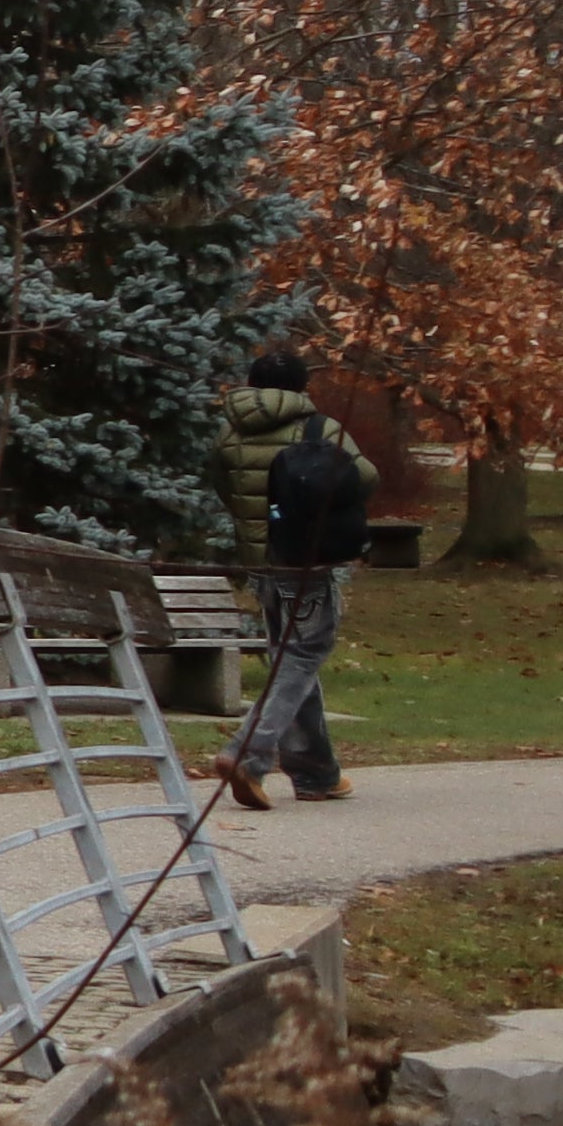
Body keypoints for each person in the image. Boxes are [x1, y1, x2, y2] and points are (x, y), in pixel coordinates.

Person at [219, 347, 355, 811]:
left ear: (252, 386)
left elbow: (223, 484)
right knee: (304, 653)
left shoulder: (230, 431)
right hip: (309, 562)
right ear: (303, 387)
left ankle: (316, 772)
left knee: (291, 659)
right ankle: (247, 752)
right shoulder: (320, 430)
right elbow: (365, 477)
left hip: (263, 563)